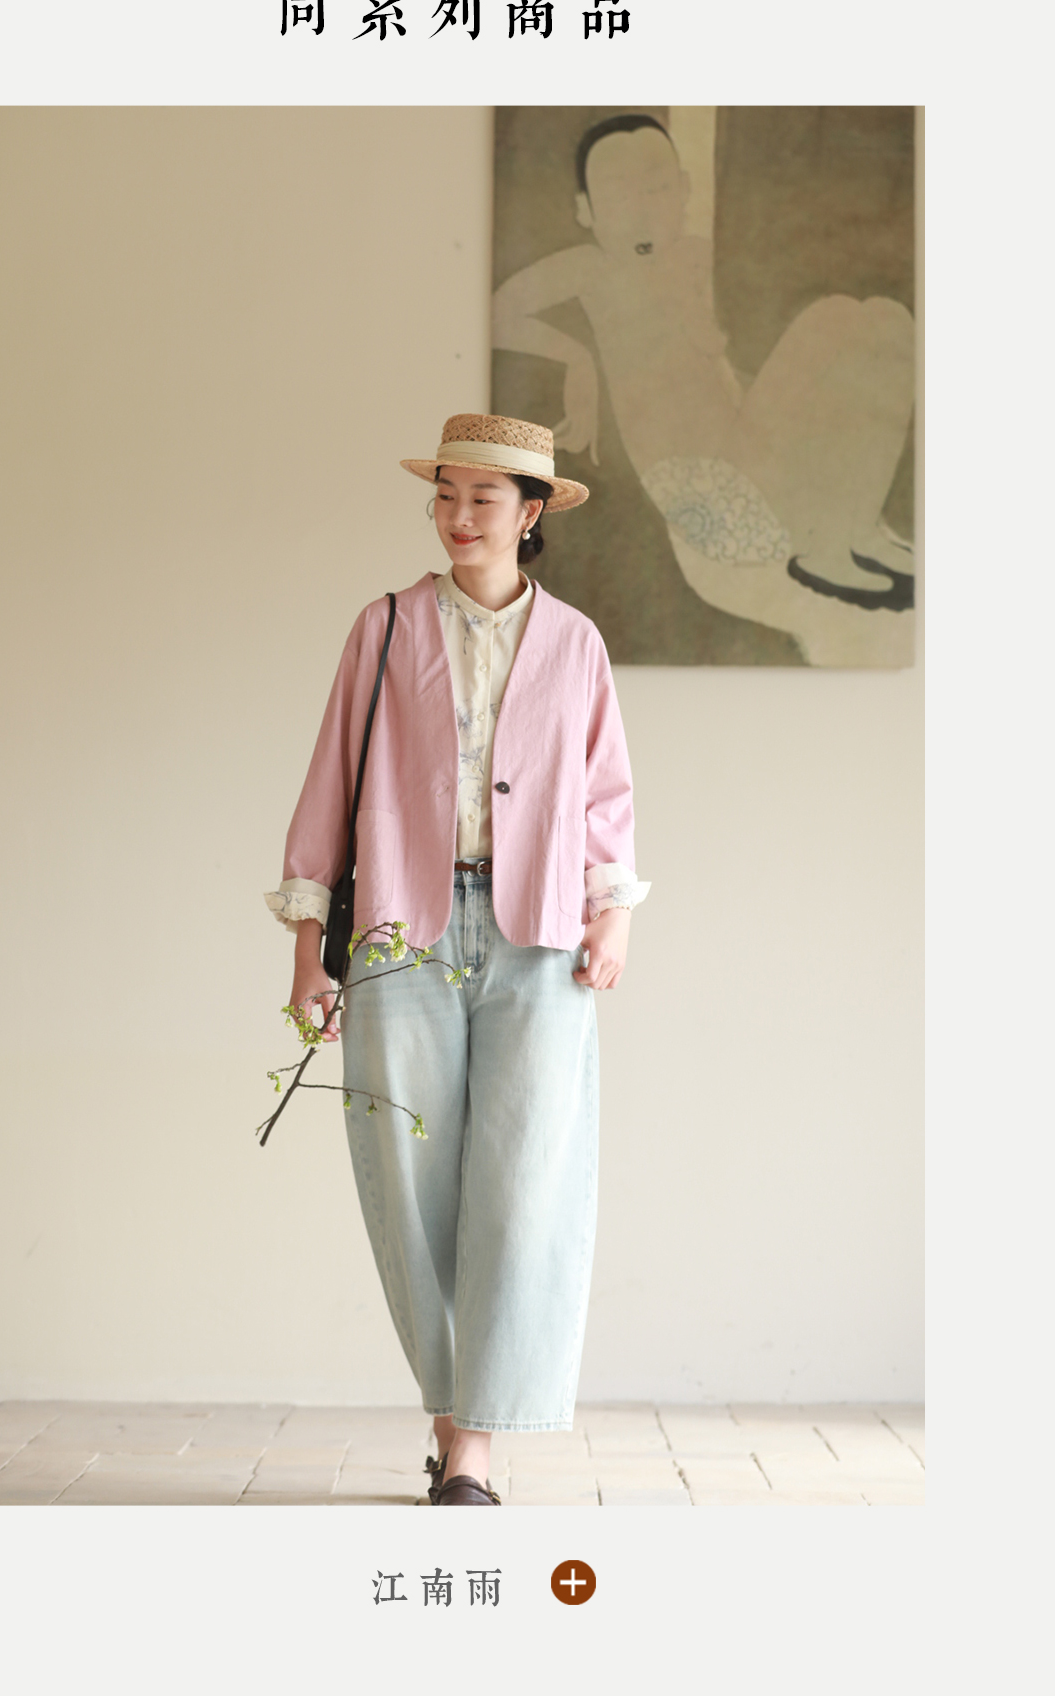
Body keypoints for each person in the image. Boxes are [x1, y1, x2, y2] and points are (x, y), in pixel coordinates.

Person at [264, 413, 649, 1505]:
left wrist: (613, 912)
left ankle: (475, 1441)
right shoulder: (384, 627)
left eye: (484, 498)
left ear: (531, 515)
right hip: (401, 930)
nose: (458, 516)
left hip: (541, 936)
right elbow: (332, 784)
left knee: (526, 1186)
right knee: (409, 1183)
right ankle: (451, 1417)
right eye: (446, 494)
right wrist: (310, 951)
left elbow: (605, 790)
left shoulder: (575, 642)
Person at [491, 113, 917, 665]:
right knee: (832, 317)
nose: (642, 207)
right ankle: (831, 549)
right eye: (620, 193)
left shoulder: (696, 255)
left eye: (657, 188)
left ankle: (857, 532)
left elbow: (715, 366)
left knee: (887, 320)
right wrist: (579, 359)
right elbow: (499, 311)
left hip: (751, 462)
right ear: (586, 211)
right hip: (704, 499)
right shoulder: (590, 268)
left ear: (683, 193)